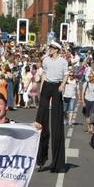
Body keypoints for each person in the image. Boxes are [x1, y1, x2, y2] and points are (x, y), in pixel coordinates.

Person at [35, 41, 69, 173]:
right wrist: (41, 89)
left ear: (56, 49)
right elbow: (44, 74)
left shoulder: (63, 61)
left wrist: (63, 85)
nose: (49, 49)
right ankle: (41, 160)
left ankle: (57, 163)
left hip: (56, 86)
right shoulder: (46, 60)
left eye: (51, 48)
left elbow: (66, 74)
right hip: (47, 86)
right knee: (42, 117)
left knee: (56, 122)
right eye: (49, 47)